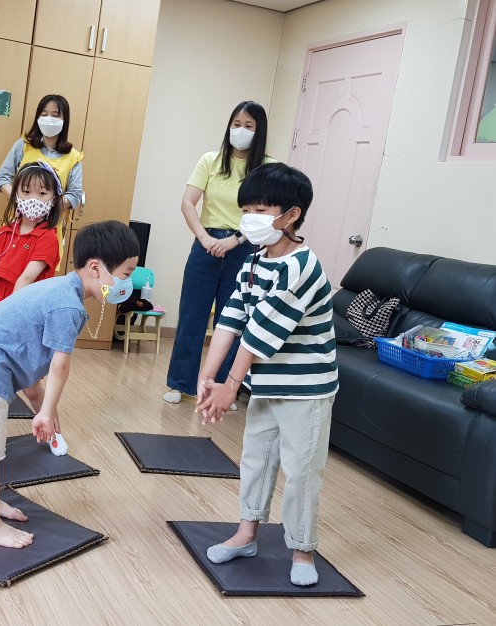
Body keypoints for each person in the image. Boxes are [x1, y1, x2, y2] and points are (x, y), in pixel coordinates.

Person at [0, 220, 140, 548]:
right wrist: (46, 412)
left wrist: (43, 406)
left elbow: (32, 368)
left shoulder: (63, 290)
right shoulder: (67, 304)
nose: (127, 284)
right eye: (124, 275)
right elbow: (59, 366)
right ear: (96, 268)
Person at [194, 163, 338, 586]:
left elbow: (259, 335)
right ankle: (247, 534)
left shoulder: (301, 268)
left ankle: (303, 550)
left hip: (305, 389)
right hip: (267, 385)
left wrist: (230, 385)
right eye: (247, 209)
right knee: (256, 460)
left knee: (301, 470)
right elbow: (232, 320)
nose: (250, 218)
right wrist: (207, 378)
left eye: (260, 208)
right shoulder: (256, 261)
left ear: (291, 215)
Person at [164, 101, 271, 405]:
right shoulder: (210, 160)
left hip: (245, 249)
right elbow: (188, 203)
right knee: (191, 317)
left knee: (232, 321)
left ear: (259, 130)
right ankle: (180, 383)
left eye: (248, 126)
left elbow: (267, 216)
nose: (241, 130)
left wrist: (236, 240)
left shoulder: (267, 168)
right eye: (236, 123)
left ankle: (223, 388)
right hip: (205, 246)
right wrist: (205, 238)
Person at [0, 162, 68, 454]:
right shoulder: (4, 234)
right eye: (26, 191)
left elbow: (26, 279)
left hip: (25, 319)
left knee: (32, 386)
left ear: (53, 200)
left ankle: (53, 430)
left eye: (42, 193)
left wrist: (5, 317)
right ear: (15, 195)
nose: (33, 199)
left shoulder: (48, 238)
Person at [0, 94, 83, 269]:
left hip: (48, 229)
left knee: (37, 281)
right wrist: (20, 200)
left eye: (55, 115)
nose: (49, 119)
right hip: (17, 225)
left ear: (65, 120)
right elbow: (2, 178)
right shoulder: (23, 146)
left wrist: (46, 206)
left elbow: (74, 195)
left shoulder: (73, 157)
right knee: (7, 272)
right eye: (44, 114)